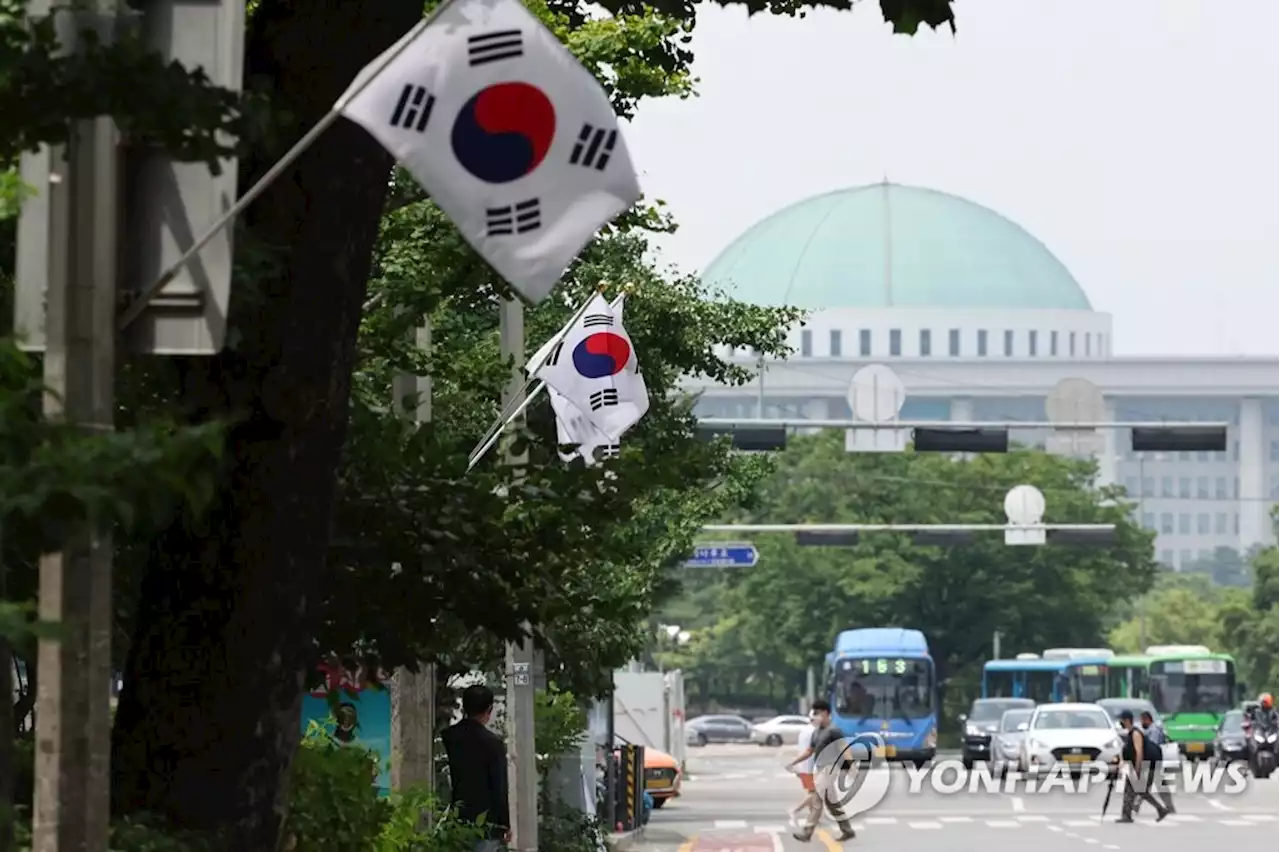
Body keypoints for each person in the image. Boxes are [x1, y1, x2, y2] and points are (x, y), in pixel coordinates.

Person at [441, 685, 510, 850]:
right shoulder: (493, 744)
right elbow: (499, 788)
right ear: (489, 709)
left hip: (456, 821)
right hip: (486, 825)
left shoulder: (448, 737)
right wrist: (504, 824)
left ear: (464, 707)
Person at [787, 699, 857, 843]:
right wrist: (794, 761)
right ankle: (847, 830)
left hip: (831, 767)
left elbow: (845, 748)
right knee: (832, 802)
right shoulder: (817, 732)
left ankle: (807, 832)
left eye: (817, 713)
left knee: (817, 797)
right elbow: (809, 751)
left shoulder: (834, 730)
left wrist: (851, 766)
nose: (815, 716)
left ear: (825, 713)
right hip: (820, 768)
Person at [1114, 710, 1169, 823]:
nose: (1120, 723)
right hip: (1136, 766)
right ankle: (1127, 815)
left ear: (1127, 721)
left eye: (1122, 720)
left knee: (1138, 790)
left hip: (1145, 766)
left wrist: (1138, 770)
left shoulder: (1136, 733)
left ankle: (1159, 809)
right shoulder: (1130, 734)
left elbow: (1139, 752)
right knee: (1134, 789)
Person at [786, 711, 819, 824]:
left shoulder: (804, 731)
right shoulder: (814, 732)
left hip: (804, 767)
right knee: (816, 793)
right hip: (810, 767)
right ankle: (795, 810)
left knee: (811, 792)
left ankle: (813, 818)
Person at [1138, 711, 1174, 814]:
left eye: (1142, 720)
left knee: (1145, 785)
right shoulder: (1154, 729)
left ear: (1147, 719)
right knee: (1155, 785)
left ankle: (1135, 806)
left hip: (1152, 762)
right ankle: (1169, 807)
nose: (1141, 723)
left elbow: (1152, 746)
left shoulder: (1153, 731)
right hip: (1155, 761)